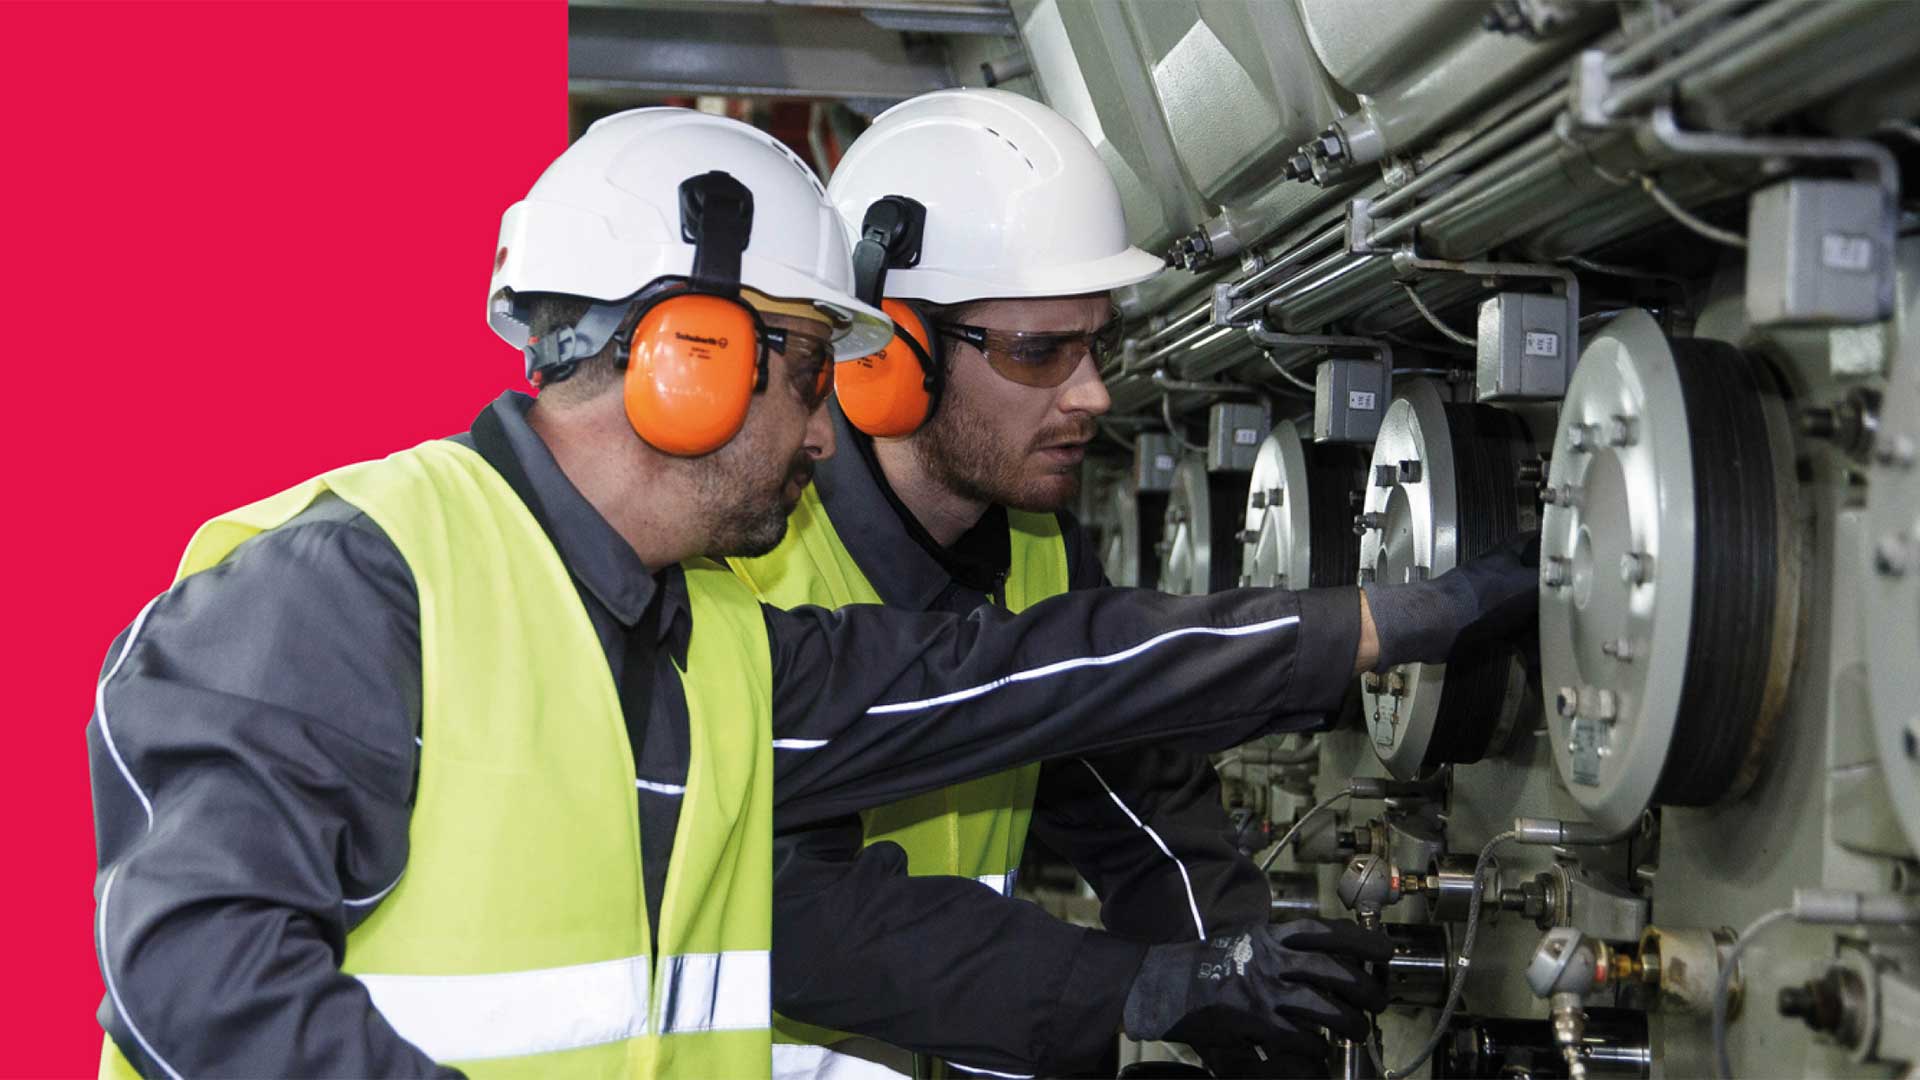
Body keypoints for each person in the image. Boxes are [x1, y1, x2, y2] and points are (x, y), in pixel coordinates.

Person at [88, 107, 1536, 1079]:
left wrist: (1378, 624)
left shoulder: (704, 640)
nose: (827, 427)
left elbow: (1033, 673)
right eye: (797, 374)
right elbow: (194, 981)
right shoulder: (356, 583)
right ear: (686, 361)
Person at [730, 88, 1353, 1080]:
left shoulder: (1037, 549)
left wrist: (1248, 1004)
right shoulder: (747, 559)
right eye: (1038, 352)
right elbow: (795, 909)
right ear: (892, 356)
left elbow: (1140, 810)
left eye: (1094, 342)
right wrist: (1135, 987)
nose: (1092, 392)